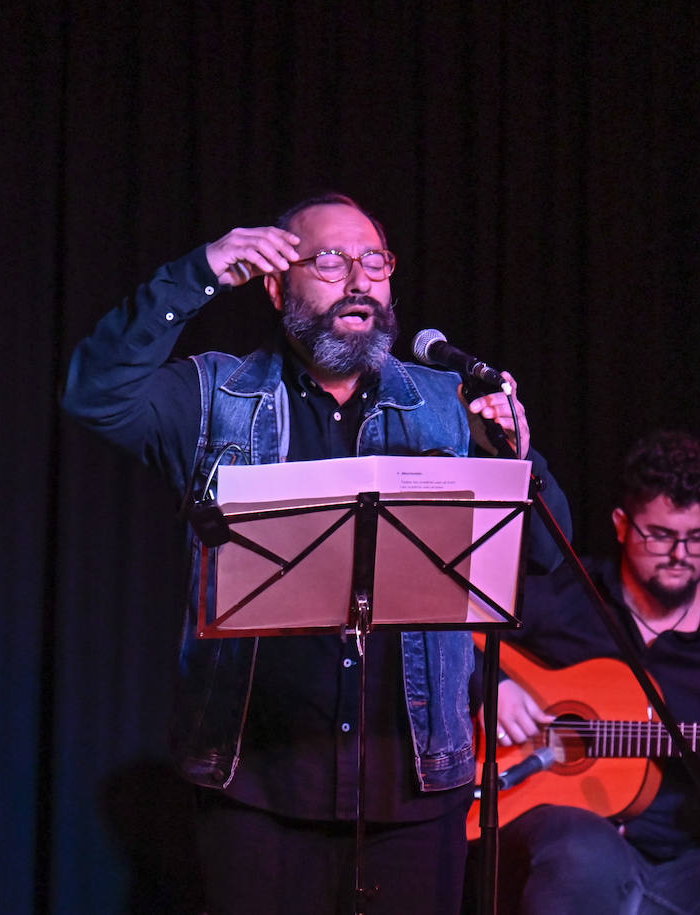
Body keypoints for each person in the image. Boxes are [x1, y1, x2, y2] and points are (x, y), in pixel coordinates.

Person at [61, 193, 571, 914]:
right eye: (329, 260)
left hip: (416, 789)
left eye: (374, 262)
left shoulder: (448, 404)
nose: (358, 279)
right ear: (275, 284)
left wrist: (520, 459)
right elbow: (95, 393)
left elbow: (550, 553)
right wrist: (197, 273)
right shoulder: (217, 396)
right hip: (258, 790)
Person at [487, 429, 700, 914]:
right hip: (572, 833)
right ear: (622, 524)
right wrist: (491, 685)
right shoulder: (565, 597)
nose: (681, 554)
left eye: (698, 538)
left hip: (699, 856)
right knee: (581, 858)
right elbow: (453, 632)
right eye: (661, 535)